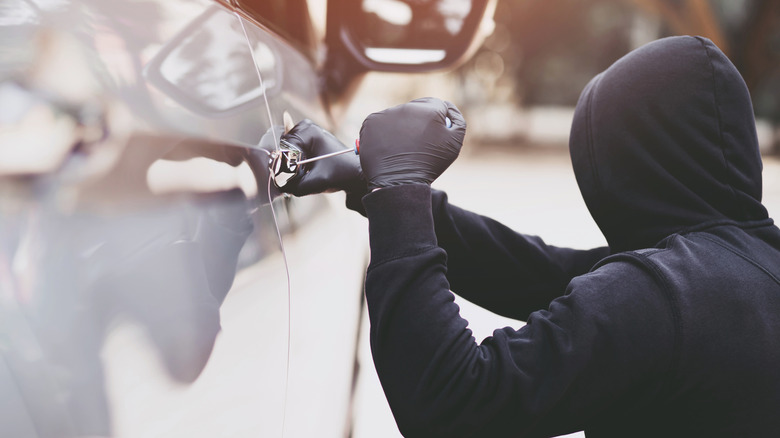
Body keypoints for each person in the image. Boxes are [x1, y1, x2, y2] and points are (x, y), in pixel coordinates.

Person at [281, 36, 780, 437]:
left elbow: (451, 401)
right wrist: (371, 183)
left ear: (615, 166)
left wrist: (399, 188)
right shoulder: (742, 268)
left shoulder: (663, 293)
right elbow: (538, 272)